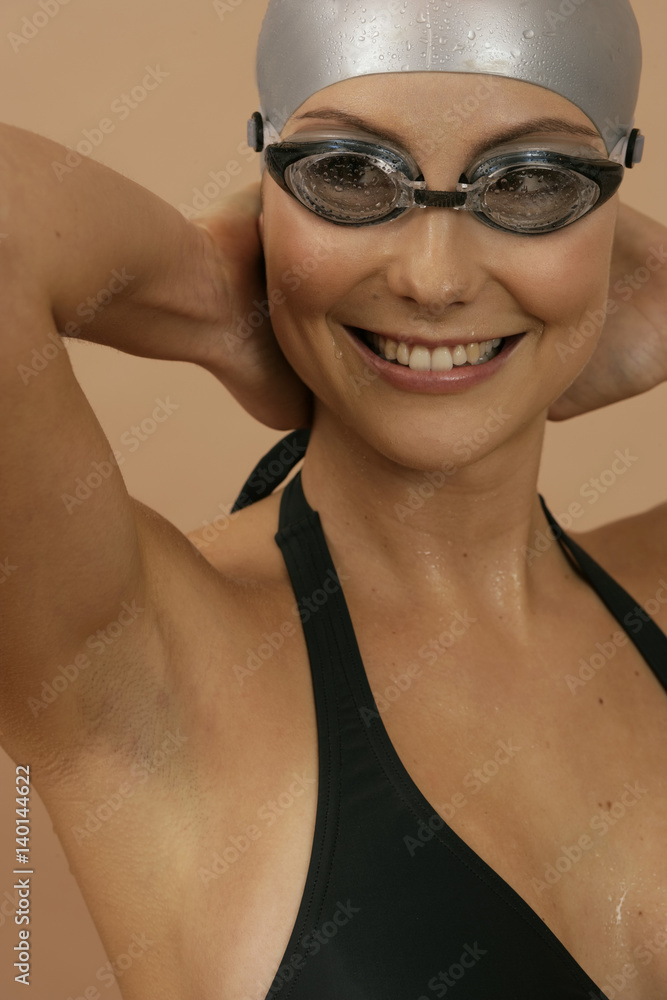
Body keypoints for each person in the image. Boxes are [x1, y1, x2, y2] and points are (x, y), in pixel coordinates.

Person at [0, 0, 666, 997]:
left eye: (533, 183)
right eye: (348, 176)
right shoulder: (140, 665)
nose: (434, 281)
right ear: (265, 190)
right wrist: (212, 300)